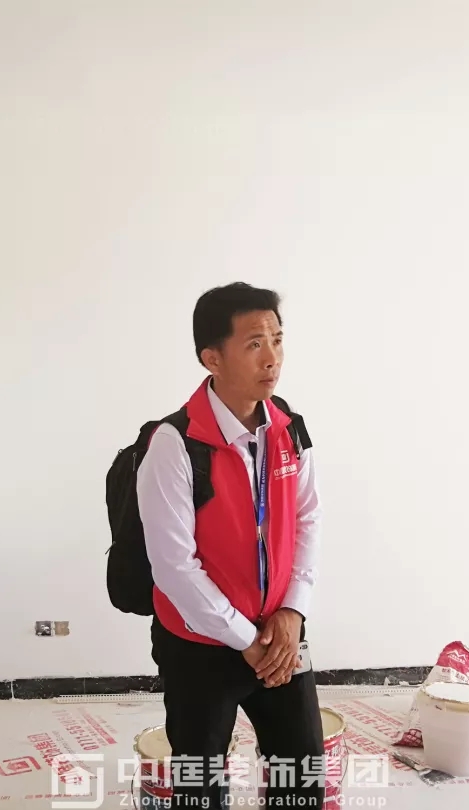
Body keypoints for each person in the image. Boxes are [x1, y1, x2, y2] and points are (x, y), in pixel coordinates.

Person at [136, 282, 325, 809]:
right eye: (254, 344)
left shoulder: (288, 429)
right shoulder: (174, 445)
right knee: (199, 786)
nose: (272, 358)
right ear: (212, 358)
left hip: (278, 635)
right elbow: (174, 567)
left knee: (301, 775)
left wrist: (292, 612)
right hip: (201, 646)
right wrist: (245, 639)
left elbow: (308, 519)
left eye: (278, 340)